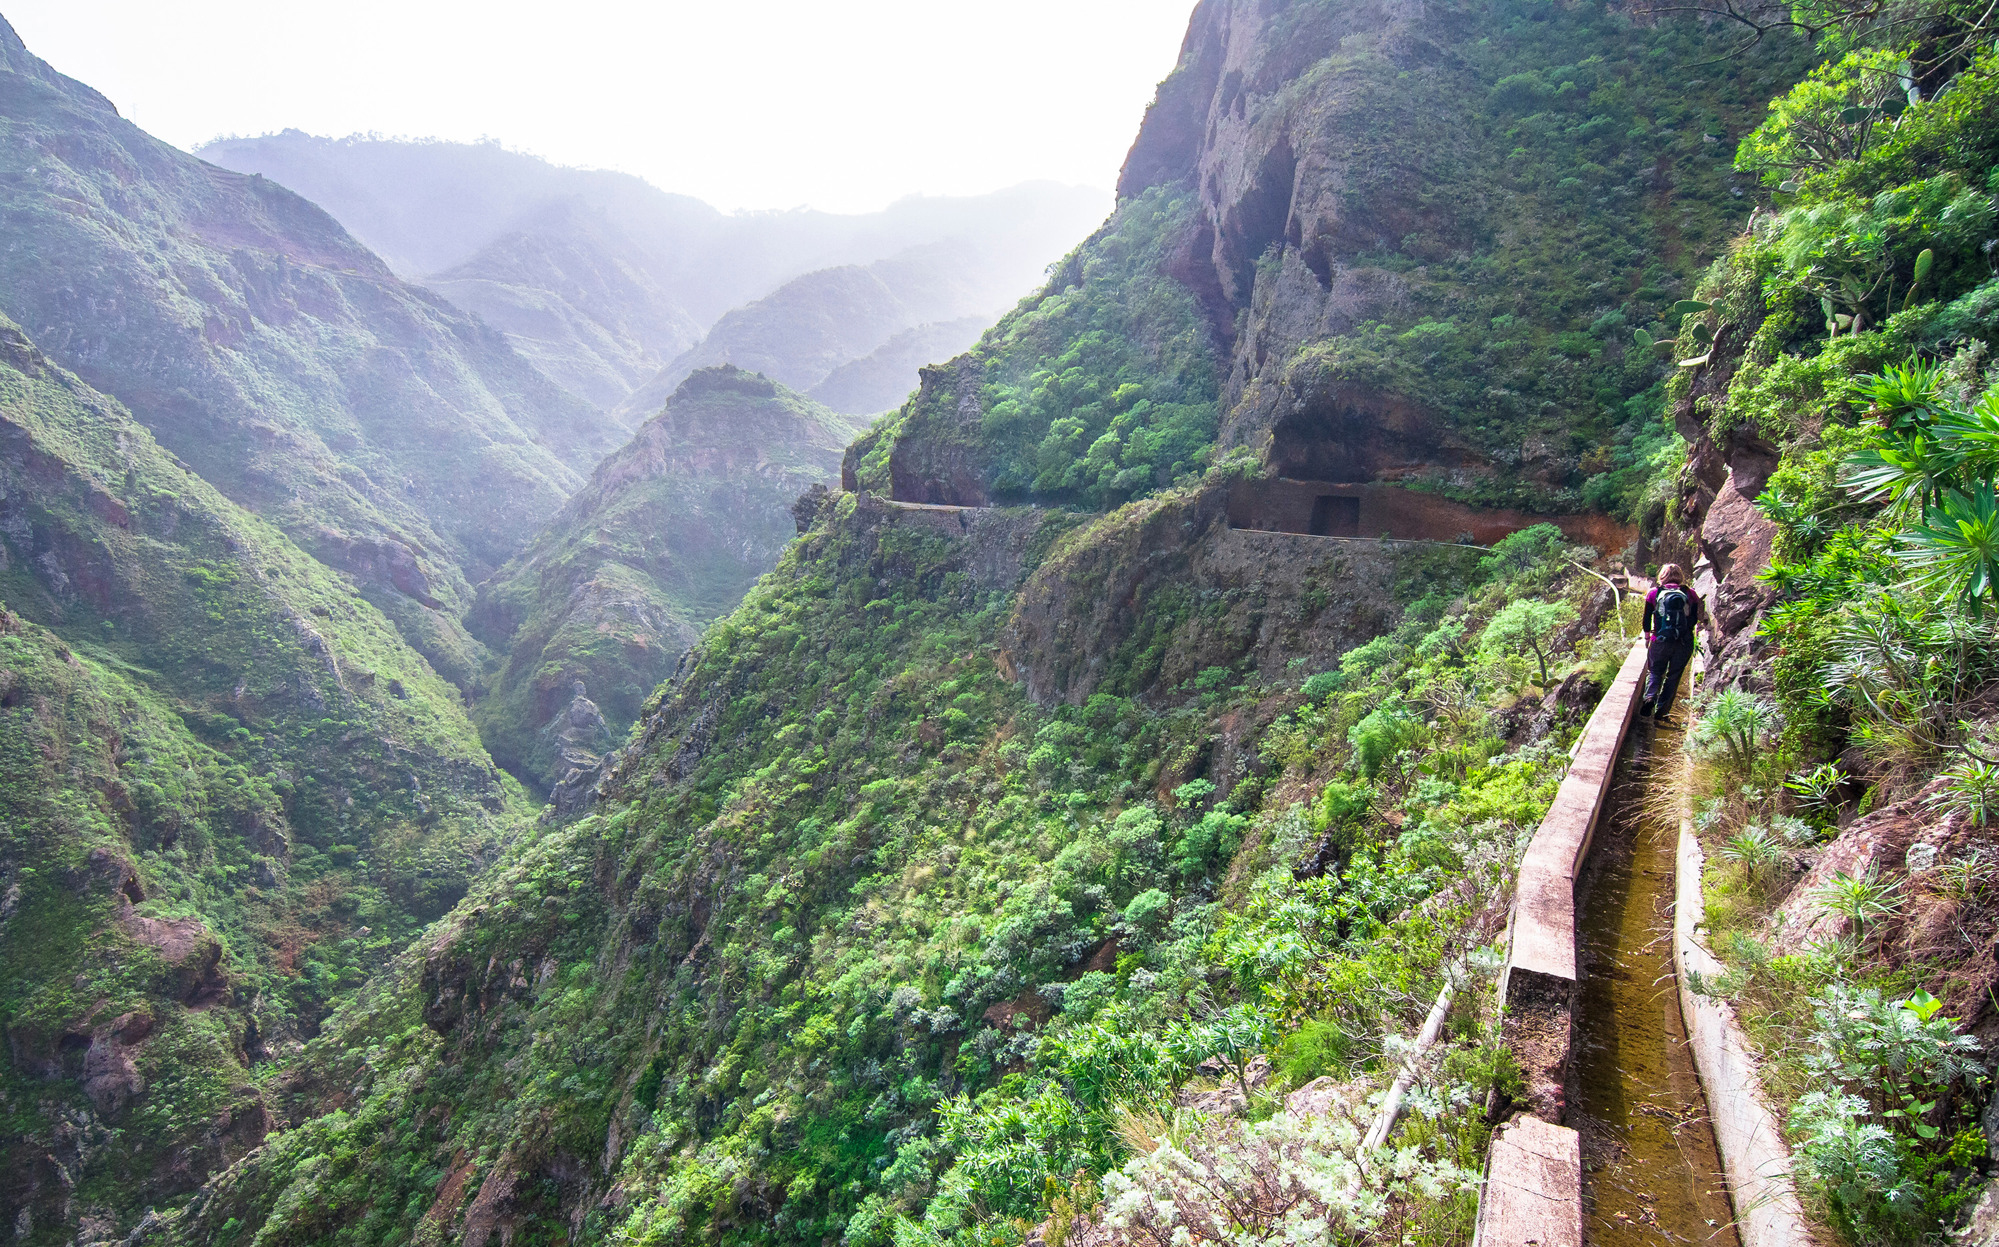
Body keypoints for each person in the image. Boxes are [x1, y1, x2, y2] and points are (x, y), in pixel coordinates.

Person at [1640, 563, 1704, 723]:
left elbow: (1647, 617)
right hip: (1683, 642)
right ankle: (1662, 711)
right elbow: (1695, 618)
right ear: (1680, 576)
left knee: (1655, 672)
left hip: (1660, 641)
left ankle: (1650, 697)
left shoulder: (1654, 593)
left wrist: (1648, 637)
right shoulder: (1690, 594)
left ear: (1662, 576)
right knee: (1673, 677)